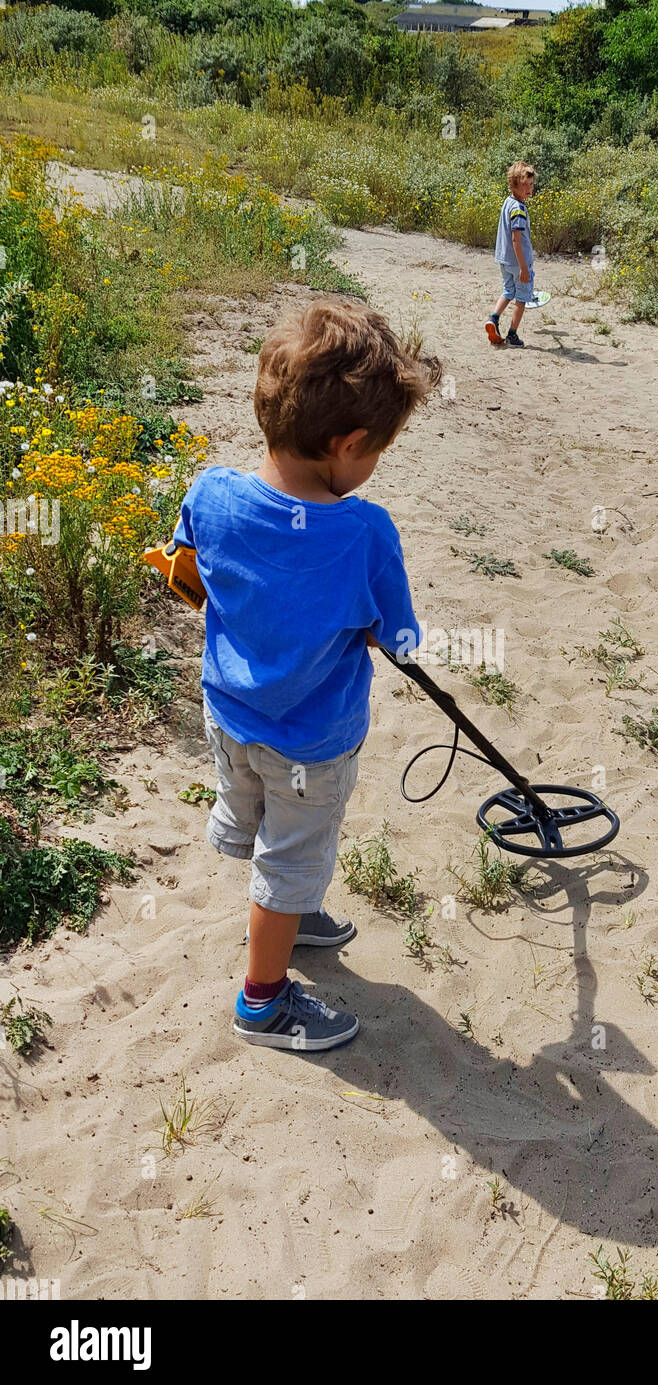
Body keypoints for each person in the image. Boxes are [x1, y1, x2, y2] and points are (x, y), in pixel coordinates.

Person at [172, 298, 441, 1051]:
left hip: (226, 715)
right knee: (292, 858)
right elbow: (400, 639)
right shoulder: (363, 533)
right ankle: (263, 1000)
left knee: (261, 823)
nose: (375, 464)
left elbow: (185, 569)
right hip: (311, 746)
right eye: (377, 450)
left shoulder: (210, 492)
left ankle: (286, 911)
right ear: (348, 442)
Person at [485, 161, 536, 349]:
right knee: (522, 298)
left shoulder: (508, 202)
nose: (529, 189)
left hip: (503, 259)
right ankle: (512, 335)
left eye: (531, 184)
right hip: (517, 262)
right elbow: (516, 240)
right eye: (525, 185)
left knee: (508, 291)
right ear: (514, 185)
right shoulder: (518, 209)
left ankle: (494, 318)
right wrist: (523, 267)